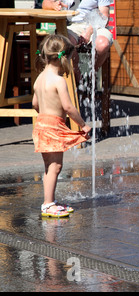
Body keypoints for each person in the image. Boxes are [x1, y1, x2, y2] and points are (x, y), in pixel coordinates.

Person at [32, 34, 92, 218]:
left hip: (41, 123)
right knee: (56, 166)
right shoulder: (59, 81)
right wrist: (83, 124)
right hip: (52, 126)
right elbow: (68, 107)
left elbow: (35, 103)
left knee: (49, 166)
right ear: (64, 57)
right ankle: (48, 204)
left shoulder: (40, 78)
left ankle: (49, 201)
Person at [42, 0, 113, 81]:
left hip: (94, 24)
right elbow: (45, 2)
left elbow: (104, 15)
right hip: (71, 25)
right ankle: (77, 75)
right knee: (66, 44)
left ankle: (91, 74)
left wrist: (90, 31)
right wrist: (53, 5)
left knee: (103, 44)